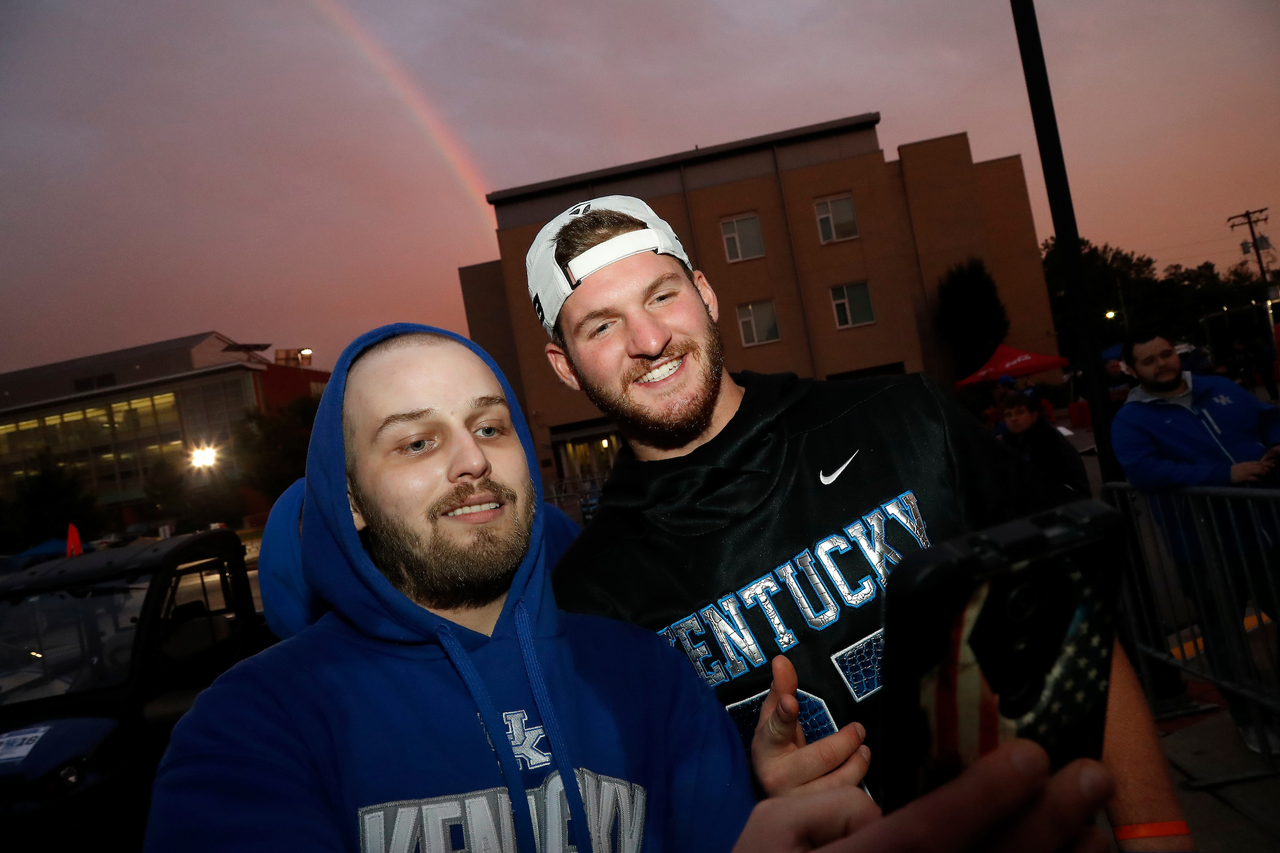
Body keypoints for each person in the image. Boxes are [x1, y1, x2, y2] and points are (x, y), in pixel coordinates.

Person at [523, 196, 1194, 850]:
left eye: (663, 295)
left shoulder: (906, 419)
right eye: (601, 326)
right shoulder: (587, 598)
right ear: (565, 367)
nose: (649, 340)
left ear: (705, 294)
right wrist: (750, 802)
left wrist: (1154, 833)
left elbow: (1072, 623)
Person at [145, 324, 766, 852]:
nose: (473, 460)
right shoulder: (253, 725)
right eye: (417, 442)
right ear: (350, 499)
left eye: (490, 428)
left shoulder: (649, 676)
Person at [1112, 328, 1280, 753]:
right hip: (1205, 546)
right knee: (1225, 639)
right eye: (1149, 360)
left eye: (1166, 353)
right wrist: (1224, 475)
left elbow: (1266, 416)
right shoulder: (1131, 420)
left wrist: (1275, 442)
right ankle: (1256, 721)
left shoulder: (1219, 387)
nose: (1162, 364)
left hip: (1265, 530)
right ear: (1131, 370)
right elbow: (1144, 471)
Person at [998, 388, 1091, 497]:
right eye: (1008, 415)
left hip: (1068, 497)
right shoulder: (1009, 440)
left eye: (1020, 412)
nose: (1014, 419)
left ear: (1034, 415)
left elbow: (1046, 478)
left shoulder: (1046, 437)